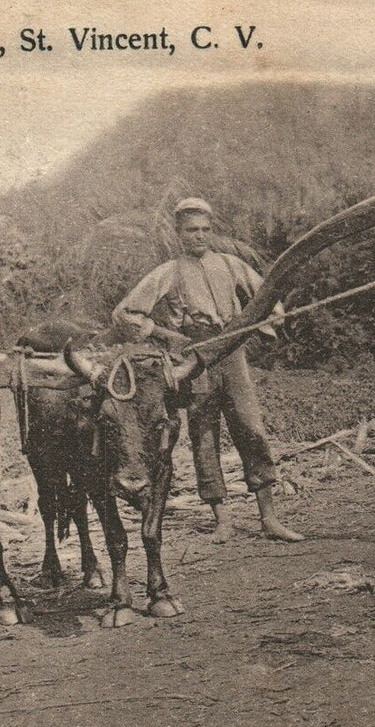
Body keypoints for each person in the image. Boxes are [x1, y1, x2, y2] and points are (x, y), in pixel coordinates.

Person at [113, 197, 304, 543]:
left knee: (251, 427)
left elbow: (265, 294)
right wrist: (168, 335)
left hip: (232, 350)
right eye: (191, 230)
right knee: (204, 436)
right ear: (179, 233)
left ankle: (269, 518)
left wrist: (273, 312)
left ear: (211, 230)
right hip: (194, 356)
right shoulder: (168, 272)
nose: (199, 236)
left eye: (204, 229)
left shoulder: (231, 265)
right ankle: (223, 521)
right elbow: (125, 313)